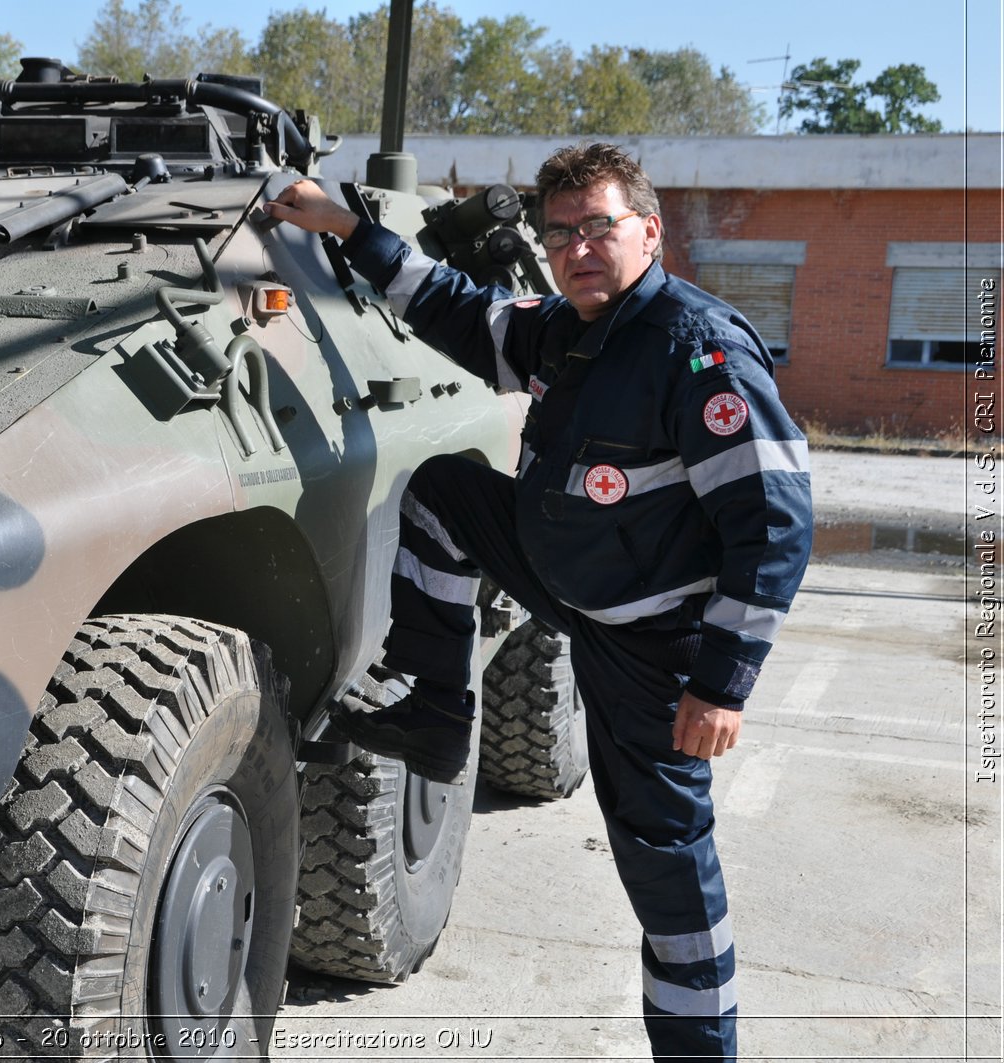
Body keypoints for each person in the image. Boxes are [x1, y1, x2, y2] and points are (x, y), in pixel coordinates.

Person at [265, 143, 813, 1062]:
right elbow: (452, 309)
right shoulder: (566, 328)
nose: (576, 247)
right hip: (573, 586)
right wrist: (349, 227)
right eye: (559, 233)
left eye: (598, 225)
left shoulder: (696, 351)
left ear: (649, 228)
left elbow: (776, 522)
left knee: (664, 863)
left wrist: (721, 685)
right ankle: (439, 706)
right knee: (442, 490)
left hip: (653, 644)